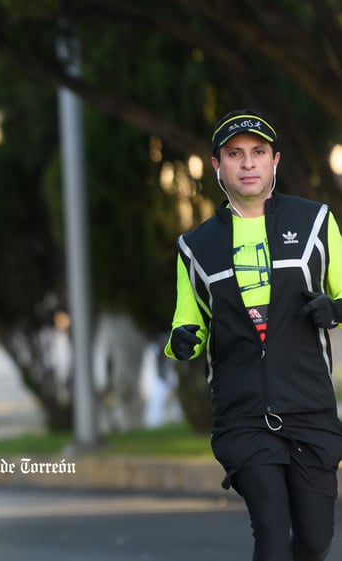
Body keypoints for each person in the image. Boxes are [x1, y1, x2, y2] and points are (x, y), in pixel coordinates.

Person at [165, 110, 342, 561]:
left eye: (258, 153)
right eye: (235, 154)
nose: (248, 163)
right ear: (216, 166)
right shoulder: (196, 247)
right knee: (270, 531)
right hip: (241, 413)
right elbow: (188, 323)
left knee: (315, 541)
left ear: (274, 161)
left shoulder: (316, 223)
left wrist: (334, 308)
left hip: (310, 407)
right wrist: (183, 340)